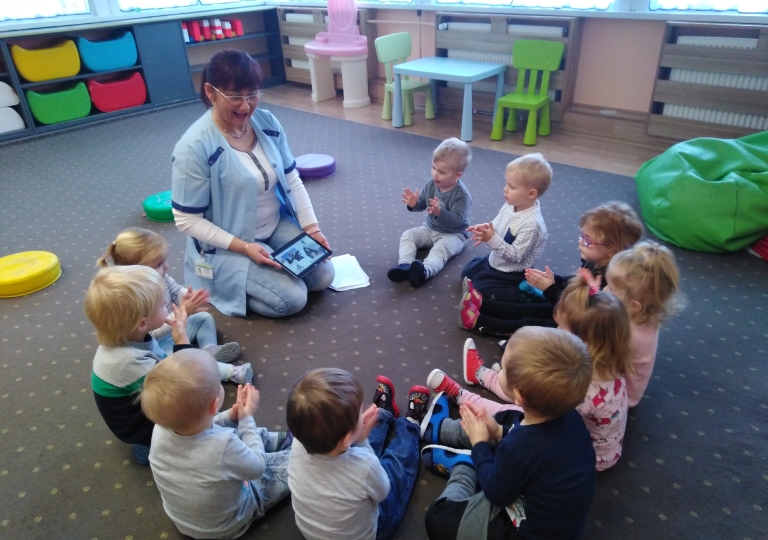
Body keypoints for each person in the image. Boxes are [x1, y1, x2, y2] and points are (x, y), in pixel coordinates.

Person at [171, 49, 334, 319]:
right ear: (211, 92)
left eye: (253, 94)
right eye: (235, 96)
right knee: (293, 299)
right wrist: (244, 247)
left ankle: (264, 274)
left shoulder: (267, 122)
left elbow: (291, 177)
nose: (246, 106)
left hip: (273, 224)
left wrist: (311, 228)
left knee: (322, 276)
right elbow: (187, 220)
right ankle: (224, 287)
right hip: (229, 243)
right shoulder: (194, 146)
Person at [431, 270, 633, 470]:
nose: (556, 331)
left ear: (584, 344)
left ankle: (460, 394)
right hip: (588, 439)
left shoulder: (584, 390)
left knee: (518, 411)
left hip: (581, 456)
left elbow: (539, 414)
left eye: (562, 329)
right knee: (526, 388)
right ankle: (480, 374)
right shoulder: (607, 364)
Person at [422, 327, 596, 540]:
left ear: (519, 396)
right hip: (554, 512)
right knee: (507, 419)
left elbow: (496, 493)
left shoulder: (518, 448)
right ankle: (439, 430)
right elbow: (535, 454)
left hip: (524, 530)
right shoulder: (570, 417)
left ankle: (464, 468)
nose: (498, 371)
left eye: (502, 369)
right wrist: (498, 432)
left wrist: (479, 445)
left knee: (437, 519)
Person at [140, 349, 292, 539]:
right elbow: (258, 468)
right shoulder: (223, 445)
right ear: (214, 405)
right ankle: (296, 448)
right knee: (289, 461)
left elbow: (206, 425)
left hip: (185, 520)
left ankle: (274, 443)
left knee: (235, 431)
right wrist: (246, 419)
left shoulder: (161, 429)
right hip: (226, 526)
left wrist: (231, 416)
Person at [459, 201, 643, 337]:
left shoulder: (609, 282)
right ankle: (484, 305)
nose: (581, 241)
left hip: (576, 326)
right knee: (534, 307)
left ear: (612, 248)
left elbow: (576, 314)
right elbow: (574, 284)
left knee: (532, 320)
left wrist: (550, 289)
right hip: (567, 305)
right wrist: (556, 280)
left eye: (588, 240)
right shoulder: (596, 262)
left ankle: (482, 323)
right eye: (582, 235)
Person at [286, 368, 430, 540]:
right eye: (360, 413)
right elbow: (383, 493)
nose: (363, 414)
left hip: (313, 533)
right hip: (367, 533)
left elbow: (348, 445)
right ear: (347, 438)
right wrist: (362, 440)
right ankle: (410, 423)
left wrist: (357, 432)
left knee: (347, 443)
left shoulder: (298, 443)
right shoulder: (364, 467)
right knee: (396, 468)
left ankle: (384, 413)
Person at [83, 266, 196, 464]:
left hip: (141, 402)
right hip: (142, 427)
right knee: (197, 410)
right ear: (142, 323)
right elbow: (180, 387)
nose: (167, 304)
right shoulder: (128, 362)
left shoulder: (127, 337)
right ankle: (149, 449)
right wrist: (182, 341)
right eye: (163, 304)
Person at [98, 227, 241, 363]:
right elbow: (150, 334)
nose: (167, 266)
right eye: (159, 265)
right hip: (158, 344)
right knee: (180, 365)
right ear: (138, 272)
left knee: (204, 318)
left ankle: (209, 350)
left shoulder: (162, 277)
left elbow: (176, 290)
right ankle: (225, 370)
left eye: (164, 260)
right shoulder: (136, 298)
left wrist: (187, 296)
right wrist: (183, 311)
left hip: (178, 328)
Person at [603, 241, 686, 407]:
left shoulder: (628, 334)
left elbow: (598, 358)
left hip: (621, 397)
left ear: (635, 306)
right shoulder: (645, 312)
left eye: (611, 289)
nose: (604, 290)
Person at [460, 153, 551, 301]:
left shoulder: (532, 225)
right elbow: (498, 223)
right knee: (467, 272)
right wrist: (486, 229)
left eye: (512, 186)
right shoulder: (512, 204)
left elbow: (516, 256)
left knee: (480, 290)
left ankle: (522, 292)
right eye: (506, 184)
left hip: (512, 272)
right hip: (496, 260)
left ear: (531, 194)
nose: (505, 189)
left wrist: (492, 239)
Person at [387, 137, 473, 288]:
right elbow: (422, 203)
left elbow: (459, 221)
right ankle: (405, 265)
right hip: (430, 228)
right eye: (433, 167)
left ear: (457, 175)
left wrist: (441, 212)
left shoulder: (462, 195)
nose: (435, 174)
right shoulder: (432, 183)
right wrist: (414, 204)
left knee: (439, 250)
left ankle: (424, 272)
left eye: (441, 172)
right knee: (408, 235)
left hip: (454, 235)